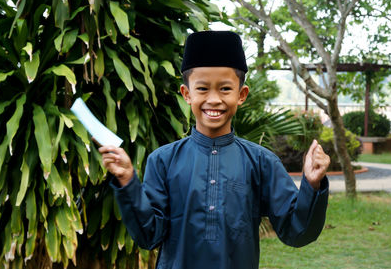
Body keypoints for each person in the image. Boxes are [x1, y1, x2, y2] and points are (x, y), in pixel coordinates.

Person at [98, 31, 330, 269]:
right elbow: (148, 236)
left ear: (241, 95)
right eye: (202, 89)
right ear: (186, 94)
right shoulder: (163, 161)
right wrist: (127, 181)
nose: (214, 99)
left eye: (225, 89)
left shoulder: (261, 162)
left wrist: (312, 185)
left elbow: (296, 231)